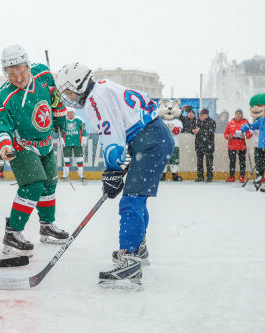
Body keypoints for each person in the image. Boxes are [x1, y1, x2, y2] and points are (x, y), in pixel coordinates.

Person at [56, 62, 174, 289]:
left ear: (79, 84)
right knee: (137, 199)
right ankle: (138, 247)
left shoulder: (95, 99)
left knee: (131, 202)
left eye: (69, 91)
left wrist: (112, 169)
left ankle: (129, 259)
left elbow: (112, 139)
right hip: (155, 137)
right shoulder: (102, 87)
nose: (69, 97)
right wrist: (114, 169)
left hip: (150, 141)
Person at [0, 45, 69, 256]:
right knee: (33, 186)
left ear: (28, 65)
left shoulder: (43, 73)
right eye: (12, 72)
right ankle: (13, 232)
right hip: (21, 144)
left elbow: (55, 97)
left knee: (50, 183)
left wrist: (60, 117)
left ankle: (46, 225)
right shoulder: (4, 96)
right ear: (6, 72)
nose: (18, 76)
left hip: (46, 142)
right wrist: (4, 144)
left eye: (22, 70)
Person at [241, 93, 265, 191]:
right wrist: (247, 126)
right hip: (261, 146)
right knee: (260, 164)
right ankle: (260, 179)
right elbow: (253, 126)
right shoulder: (262, 120)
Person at [224, 109, 251, 182]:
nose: (238, 115)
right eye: (237, 113)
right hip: (232, 146)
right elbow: (225, 134)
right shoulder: (230, 123)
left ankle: (242, 177)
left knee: (242, 162)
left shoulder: (245, 123)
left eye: (239, 113)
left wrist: (245, 134)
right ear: (235, 114)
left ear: (242, 115)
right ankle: (232, 177)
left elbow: (249, 134)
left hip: (242, 145)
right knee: (232, 162)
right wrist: (228, 136)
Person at [60, 108, 87, 182]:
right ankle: (65, 175)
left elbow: (83, 129)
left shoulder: (79, 120)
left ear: (73, 113)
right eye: (68, 112)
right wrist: (62, 140)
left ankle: (81, 176)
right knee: (66, 160)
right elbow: (61, 131)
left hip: (77, 143)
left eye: (71, 112)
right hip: (67, 143)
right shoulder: (64, 121)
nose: (69, 114)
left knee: (80, 159)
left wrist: (84, 139)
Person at [193, 109, 216, 182]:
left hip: (208, 145)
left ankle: (209, 177)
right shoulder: (197, 121)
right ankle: (200, 177)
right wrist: (193, 130)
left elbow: (210, 132)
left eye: (202, 115)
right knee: (199, 162)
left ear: (207, 115)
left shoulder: (212, 122)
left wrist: (200, 130)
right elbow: (192, 128)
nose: (200, 116)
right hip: (199, 145)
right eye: (200, 114)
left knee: (209, 162)